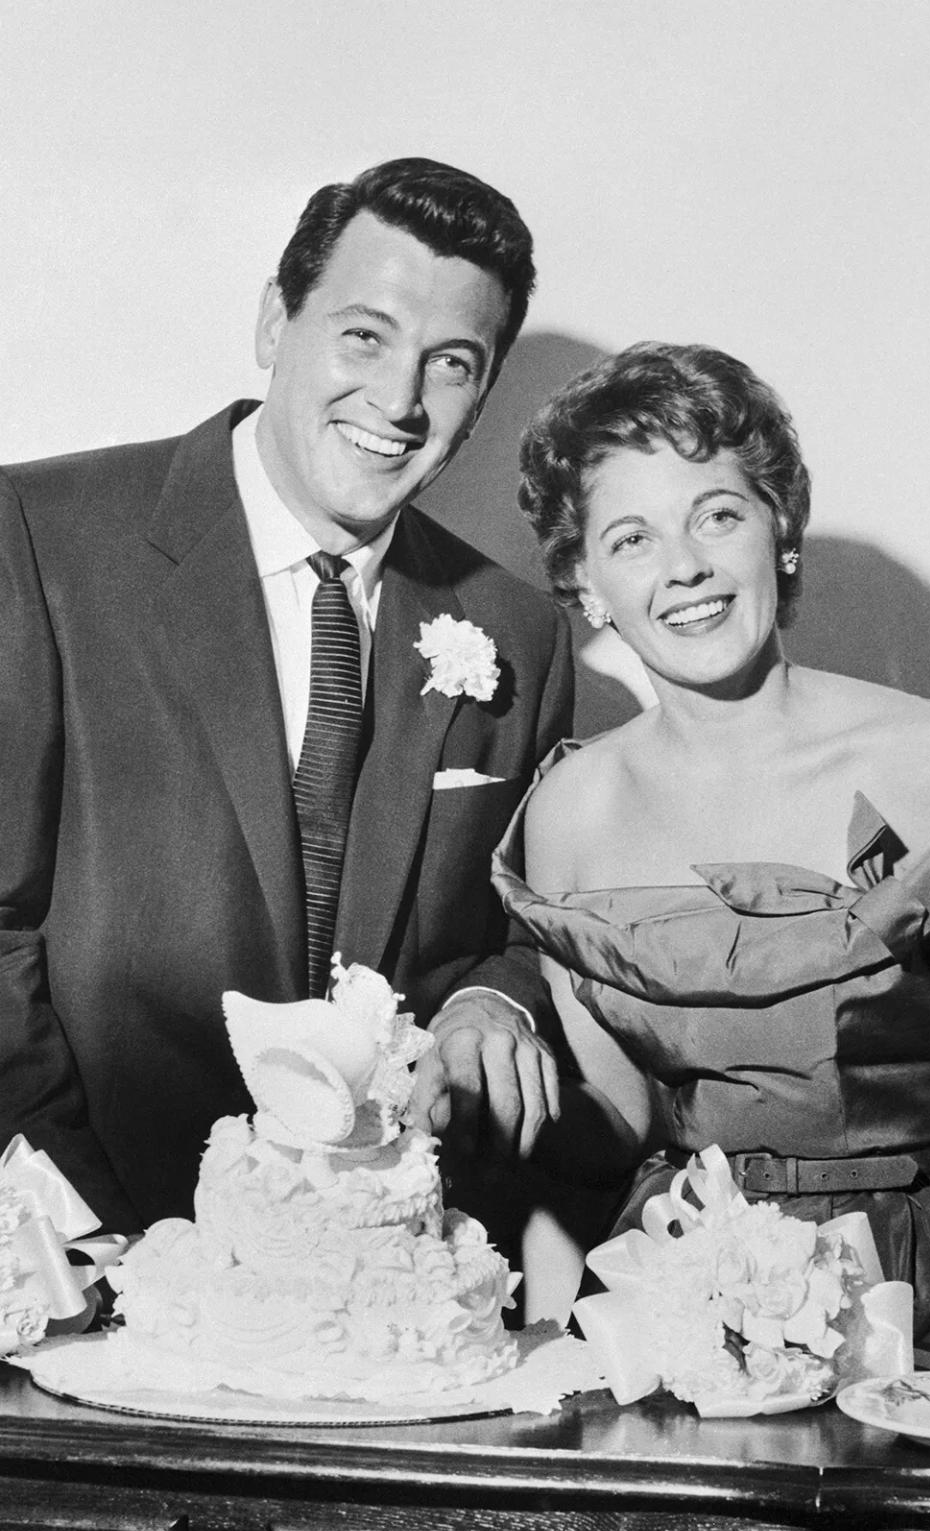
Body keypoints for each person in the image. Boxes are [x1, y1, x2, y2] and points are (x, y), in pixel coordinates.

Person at [0, 158, 572, 1239]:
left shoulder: (520, 632)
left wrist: (493, 997)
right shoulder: (40, 535)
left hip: (375, 1272)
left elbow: (529, 928)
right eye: (364, 335)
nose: (399, 402)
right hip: (80, 1245)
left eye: (450, 362)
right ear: (276, 321)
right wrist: (76, 1224)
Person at [493, 341, 930, 1339]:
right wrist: (469, 1070)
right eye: (632, 539)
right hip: (683, 1290)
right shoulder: (573, 805)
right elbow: (615, 1123)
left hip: (926, 1287)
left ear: (779, 529)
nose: (686, 567)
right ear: (585, 586)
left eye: (717, 514)